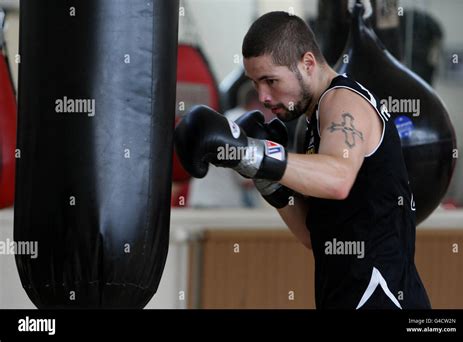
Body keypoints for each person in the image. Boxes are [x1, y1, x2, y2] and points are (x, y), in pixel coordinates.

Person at [174, 11, 431, 309]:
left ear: (307, 63)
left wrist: (252, 153)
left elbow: (338, 179)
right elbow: (312, 235)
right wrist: (267, 180)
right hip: (341, 295)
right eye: (256, 83)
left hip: (381, 297)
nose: (264, 96)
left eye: (271, 80)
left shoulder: (343, 101)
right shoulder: (313, 124)